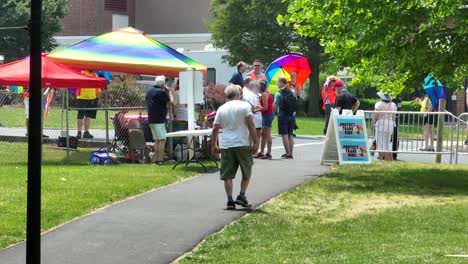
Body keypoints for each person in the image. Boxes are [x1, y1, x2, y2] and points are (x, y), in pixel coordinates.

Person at [211, 84, 258, 210]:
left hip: (226, 144)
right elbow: (251, 125)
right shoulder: (245, 106)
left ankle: (230, 200)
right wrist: (256, 142)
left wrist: (214, 144)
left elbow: (215, 128)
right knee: (246, 170)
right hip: (242, 143)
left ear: (226, 95)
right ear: (239, 94)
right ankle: (242, 195)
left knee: (227, 174)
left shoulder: (221, 109)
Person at [146, 75, 174, 165]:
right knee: (162, 140)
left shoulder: (149, 91)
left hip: (151, 119)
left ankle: (155, 160)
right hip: (159, 120)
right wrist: (169, 92)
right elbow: (171, 102)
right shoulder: (161, 92)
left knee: (157, 140)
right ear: (163, 84)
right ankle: (160, 160)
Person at [274, 77, 297, 159]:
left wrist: (274, 113)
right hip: (292, 115)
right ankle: (291, 152)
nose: (277, 84)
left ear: (281, 83)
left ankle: (287, 153)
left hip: (282, 115)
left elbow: (275, 105)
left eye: (277, 82)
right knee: (290, 134)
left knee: (284, 134)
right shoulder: (293, 91)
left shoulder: (278, 93)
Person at [76, 70, 101, 139]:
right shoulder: (82, 73)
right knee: (80, 115)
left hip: (92, 98)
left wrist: (97, 95)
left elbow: (98, 87)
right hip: (82, 97)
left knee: (88, 116)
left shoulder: (95, 75)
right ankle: (79, 132)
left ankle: (86, 132)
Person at [371, 92, 397, 161]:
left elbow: (375, 115)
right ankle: (389, 159)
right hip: (390, 123)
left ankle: (380, 158)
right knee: (388, 142)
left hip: (381, 123)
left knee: (380, 142)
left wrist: (372, 123)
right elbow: (394, 116)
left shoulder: (378, 104)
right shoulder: (393, 105)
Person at [243, 78, 263, 157]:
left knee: (257, 135)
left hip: (259, 117)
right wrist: (256, 108)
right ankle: (250, 150)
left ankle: (255, 151)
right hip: (253, 117)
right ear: (252, 87)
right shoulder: (249, 96)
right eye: (257, 87)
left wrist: (259, 108)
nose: (258, 88)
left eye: (259, 87)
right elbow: (251, 107)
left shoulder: (259, 95)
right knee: (251, 135)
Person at [258, 80, 274, 159]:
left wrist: (256, 110)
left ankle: (269, 153)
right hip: (266, 115)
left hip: (267, 115)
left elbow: (265, 108)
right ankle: (261, 152)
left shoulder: (264, 94)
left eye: (258, 86)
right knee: (263, 134)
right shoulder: (266, 93)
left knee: (267, 134)